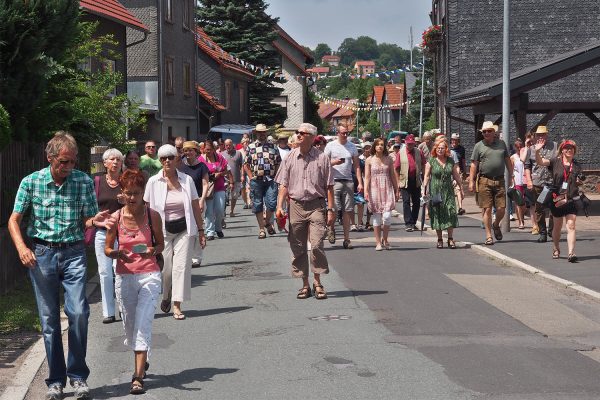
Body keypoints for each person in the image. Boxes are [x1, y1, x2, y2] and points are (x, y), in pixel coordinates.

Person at [8, 131, 112, 400]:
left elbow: (88, 219)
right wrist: (22, 248)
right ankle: (56, 381)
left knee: (78, 313)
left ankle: (78, 376)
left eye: (73, 162)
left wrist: (95, 220)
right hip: (42, 254)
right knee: (50, 321)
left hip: (74, 253)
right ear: (50, 157)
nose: (68, 167)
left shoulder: (83, 181)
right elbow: (14, 220)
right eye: (63, 162)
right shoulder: (32, 182)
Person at [104, 169, 164, 395]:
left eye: (136, 193)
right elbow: (107, 248)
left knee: (143, 322)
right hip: (124, 275)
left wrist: (152, 250)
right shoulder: (116, 218)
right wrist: (117, 254)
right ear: (122, 192)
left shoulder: (152, 215)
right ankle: (142, 357)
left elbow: (161, 245)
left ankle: (137, 377)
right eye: (128, 193)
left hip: (149, 274)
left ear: (143, 193)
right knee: (129, 326)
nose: (132, 198)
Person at [144, 144, 205, 320]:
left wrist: (201, 231)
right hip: (162, 231)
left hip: (185, 230)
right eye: (164, 158)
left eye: (171, 157)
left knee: (181, 268)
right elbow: (147, 208)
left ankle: (177, 305)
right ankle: (166, 295)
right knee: (166, 269)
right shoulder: (153, 182)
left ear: (177, 159)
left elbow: (195, 206)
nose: (167, 161)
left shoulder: (187, 180)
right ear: (160, 161)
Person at [275, 123, 335, 300]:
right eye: (298, 133)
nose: (298, 135)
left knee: (316, 244)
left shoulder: (322, 158)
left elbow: (329, 187)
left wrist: (331, 210)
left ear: (311, 136)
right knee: (298, 246)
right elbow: (283, 185)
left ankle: (317, 282)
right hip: (296, 205)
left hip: (317, 204)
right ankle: (305, 284)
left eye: (302, 133)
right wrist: (279, 206)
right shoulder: (289, 158)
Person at [534, 140, 583, 262]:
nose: (569, 150)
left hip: (571, 199)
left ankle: (571, 253)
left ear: (574, 150)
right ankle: (556, 247)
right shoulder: (555, 161)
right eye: (566, 148)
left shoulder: (576, 165)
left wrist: (579, 181)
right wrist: (537, 151)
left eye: (571, 148)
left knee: (571, 225)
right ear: (562, 150)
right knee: (557, 226)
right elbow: (540, 162)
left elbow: (579, 181)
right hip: (557, 199)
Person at [469, 121, 513, 245]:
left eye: (489, 131)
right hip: (484, 180)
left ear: (494, 132)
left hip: (499, 180)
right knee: (487, 209)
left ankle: (496, 224)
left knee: (501, 209)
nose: (487, 133)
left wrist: (511, 176)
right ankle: (489, 236)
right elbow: (474, 164)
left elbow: (507, 160)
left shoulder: (501, 144)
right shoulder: (479, 146)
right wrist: (471, 181)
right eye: (484, 132)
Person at [94, 148, 125, 324]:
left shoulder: (126, 181)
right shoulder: (97, 181)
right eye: (111, 159)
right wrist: (97, 222)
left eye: (118, 160)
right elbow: (90, 208)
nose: (115, 162)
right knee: (105, 272)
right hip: (102, 233)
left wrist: (126, 201)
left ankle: (123, 307)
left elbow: (138, 203)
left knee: (119, 270)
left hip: (122, 233)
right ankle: (108, 312)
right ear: (105, 163)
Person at [324, 124, 363, 249]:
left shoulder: (352, 146)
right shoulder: (330, 146)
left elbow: (356, 166)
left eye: (347, 133)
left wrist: (360, 182)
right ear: (338, 133)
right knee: (335, 209)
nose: (345, 135)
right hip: (334, 181)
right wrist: (335, 162)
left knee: (348, 210)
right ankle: (331, 228)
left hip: (348, 180)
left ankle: (347, 239)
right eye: (343, 133)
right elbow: (323, 164)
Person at [422, 137, 463, 249]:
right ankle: (440, 239)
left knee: (451, 212)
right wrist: (424, 189)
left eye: (443, 148)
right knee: (437, 214)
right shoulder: (431, 161)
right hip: (435, 191)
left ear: (446, 149)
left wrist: (461, 189)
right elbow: (426, 176)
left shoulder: (450, 161)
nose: (440, 150)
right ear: (435, 149)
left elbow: (456, 175)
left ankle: (450, 239)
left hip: (448, 191)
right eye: (438, 148)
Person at [244, 123, 282, 239]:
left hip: (270, 180)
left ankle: (266, 222)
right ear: (256, 134)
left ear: (266, 133)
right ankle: (262, 229)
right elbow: (246, 164)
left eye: (263, 132)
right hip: (257, 180)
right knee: (257, 204)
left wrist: (276, 176)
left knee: (271, 203)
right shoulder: (251, 147)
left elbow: (278, 163)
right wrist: (250, 177)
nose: (262, 134)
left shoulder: (273, 147)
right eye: (259, 133)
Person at [178, 141, 209, 267]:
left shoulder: (202, 166)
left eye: (191, 150)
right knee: (185, 230)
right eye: (186, 150)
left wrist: (202, 200)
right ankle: (185, 256)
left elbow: (205, 184)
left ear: (196, 152)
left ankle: (196, 257)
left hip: (198, 199)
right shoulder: (180, 167)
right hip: (183, 201)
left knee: (197, 229)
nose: (188, 153)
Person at [364, 138, 399, 250]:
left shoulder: (389, 159)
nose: (380, 146)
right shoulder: (369, 160)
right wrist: (365, 190)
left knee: (387, 216)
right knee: (377, 217)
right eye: (378, 145)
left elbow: (393, 175)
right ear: (374, 147)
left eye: (382, 145)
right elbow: (367, 177)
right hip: (374, 189)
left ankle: (385, 239)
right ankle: (378, 242)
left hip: (387, 188)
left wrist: (396, 189)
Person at [525, 125, 557, 243]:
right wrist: (529, 180)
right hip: (538, 183)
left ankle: (552, 230)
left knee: (554, 208)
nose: (541, 137)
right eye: (538, 135)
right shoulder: (532, 148)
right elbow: (527, 166)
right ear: (535, 136)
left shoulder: (554, 146)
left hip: (551, 182)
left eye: (543, 134)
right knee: (539, 208)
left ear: (547, 135)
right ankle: (542, 232)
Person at [200, 140, 232, 240]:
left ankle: (218, 228)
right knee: (209, 210)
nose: (208, 151)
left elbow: (227, 169)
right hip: (208, 188)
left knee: (220, 209)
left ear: (214, 149)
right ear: (204, 149)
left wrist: (221, 174)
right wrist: (211, 175)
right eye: (206, 149)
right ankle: (210, 231)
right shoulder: (201, 159)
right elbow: (199, 173)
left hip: (219, 186)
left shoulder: (219, 157)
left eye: (210, 149)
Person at [395, 134, 424, 232]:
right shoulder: (400, 152)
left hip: (416, 180)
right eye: (408, 144)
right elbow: (397, 168)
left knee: (416, 202)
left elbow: (423, 164)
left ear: (414, 143)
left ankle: (413, 222)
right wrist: (398, 181)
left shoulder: (419, 152)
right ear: (405, 143)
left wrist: (424, 179)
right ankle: (408, 223)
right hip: (404, 180)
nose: (410, 146)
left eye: (412, 144)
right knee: (406, 201)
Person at [221, 139, 244, 218]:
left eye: (229, 145)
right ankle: (223, 211)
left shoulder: (238, 153)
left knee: (234, 196)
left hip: (236, 178)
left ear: (232, 145)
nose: (228, 147)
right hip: (225, 179)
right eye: (226, 145)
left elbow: (242, 166)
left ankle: (231, 211)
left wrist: (242, 175)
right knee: (224, 196)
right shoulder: (221, 154)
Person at [511, 139, 526, 229]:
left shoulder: (526, 156)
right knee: (518, 203)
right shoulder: (513, 157)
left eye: (521, 146)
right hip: (517, 181)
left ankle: (521, 218)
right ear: (515, 148)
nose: (519, 148)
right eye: (517, 147)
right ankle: (521, 221)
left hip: (525, 181)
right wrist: (512, 182)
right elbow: (511, 170)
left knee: (525, 205)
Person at [358, 141, 373, 231]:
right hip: (362, 182)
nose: (367, 149)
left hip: (372, 182)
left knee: (370, 204)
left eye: (369, 147)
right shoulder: (359, 158)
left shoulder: (373, 158)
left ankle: (368, 221)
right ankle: (360, 221)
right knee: (360, 202)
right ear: (363, 149)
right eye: (366, 147)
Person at [450, 133, 466, 215]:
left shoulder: (461, 149)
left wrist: (464, 171)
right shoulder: (448, 149)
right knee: (451, 190)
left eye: (456, 140)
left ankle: (460, 207)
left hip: (458, 170)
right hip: (449, 172)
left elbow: (463, 161)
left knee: (459, 189)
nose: (454, 141)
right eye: (453, 139)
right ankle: (453, 206)